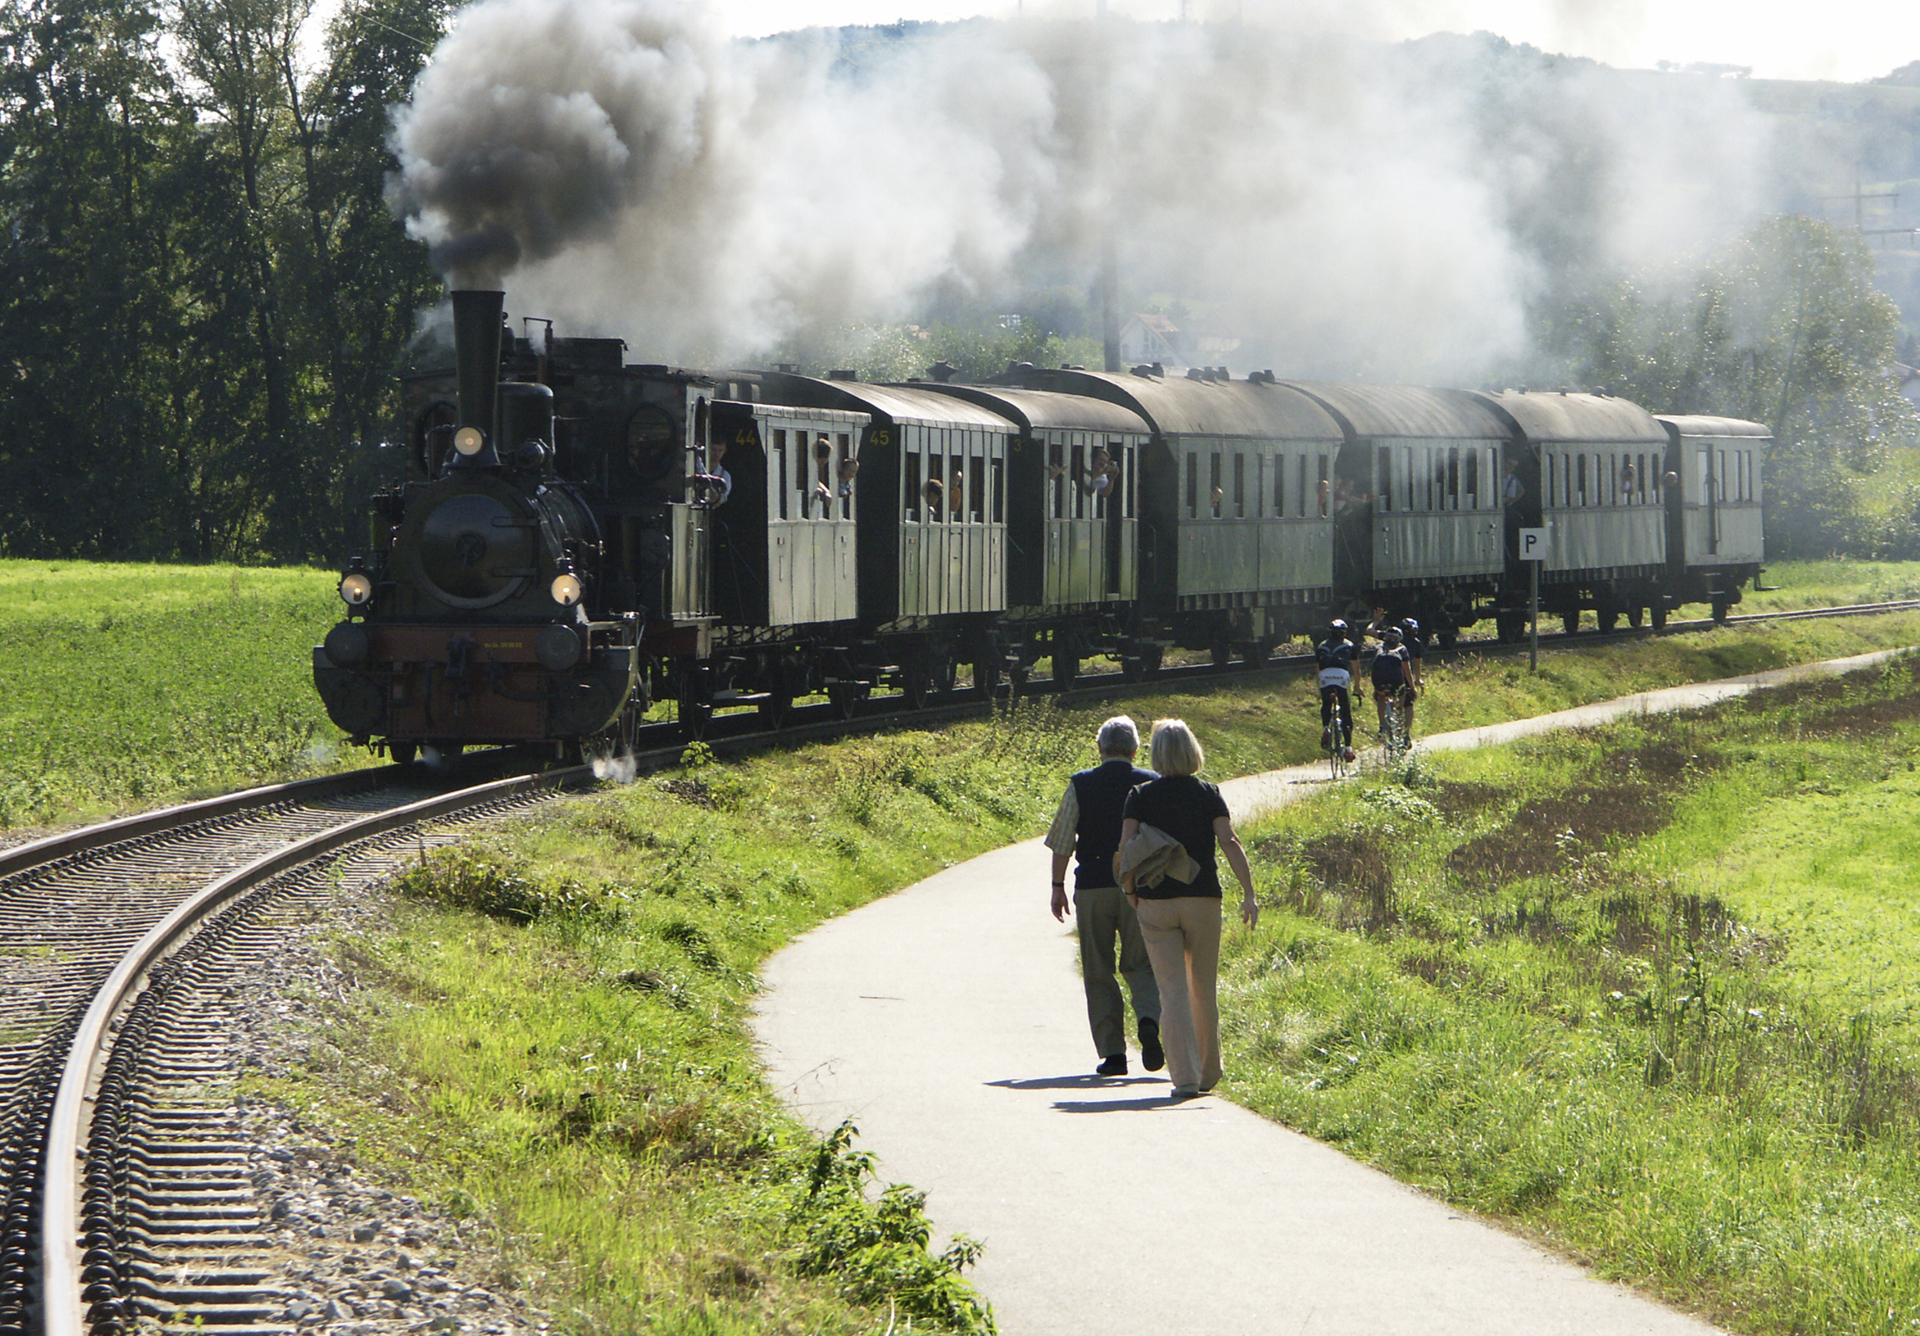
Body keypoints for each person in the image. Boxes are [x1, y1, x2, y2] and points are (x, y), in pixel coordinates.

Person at [1117, 720, 1258, 1099]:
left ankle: (1185, 1078)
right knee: (1203, 988)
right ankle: (1209, 1071)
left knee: (1171, 991)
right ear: (1193, 752)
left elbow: (1126, 846)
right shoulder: (1209, 793)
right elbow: (1229, 840)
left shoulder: (1140, 796)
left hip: (1156, 901)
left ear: (1156, 754)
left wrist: (1130, 890)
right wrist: (1248, 892)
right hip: (1203, 900)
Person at [1041, 716, 1163, 1078]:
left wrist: (1057, 886)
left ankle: (1112, 1054)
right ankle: (1148, 1020)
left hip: (1093, 885)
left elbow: (1063, 841)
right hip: (1138, 888)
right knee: (1141, 964)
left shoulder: (1081, 784)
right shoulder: (1151, 783)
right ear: (1136, 750)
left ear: (1100, 748)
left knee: (1098, 969)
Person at [1315, 619, 1359, 762]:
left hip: (1325, 677)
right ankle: (1348, 749)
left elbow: (1317, 668)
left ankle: (1326, 728)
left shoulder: (1321, 646)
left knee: (1326, 704)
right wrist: (1357, 686)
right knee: (1345, 711)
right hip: (1341, 676)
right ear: (1344, 633)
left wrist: (1319, 687)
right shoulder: (1349, 646)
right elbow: (1355, 668)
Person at [1367, 624, 1416, 739]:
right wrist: (1412, 688)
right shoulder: (1402, 649)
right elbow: (1406, 671)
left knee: (1381, 697)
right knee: (1401, 699)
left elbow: (1374, 668)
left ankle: (1381, 726)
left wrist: (1376, 689)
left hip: (1378, 678)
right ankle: (1401, 732)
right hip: (1396, 678)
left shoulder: (1378, 648)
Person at [690, 437, 731, 506]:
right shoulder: (694, 466)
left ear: (725, 451)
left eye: (720, 450)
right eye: (713, 449)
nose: (717, 454)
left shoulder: (725, 476)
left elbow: (719, 501)